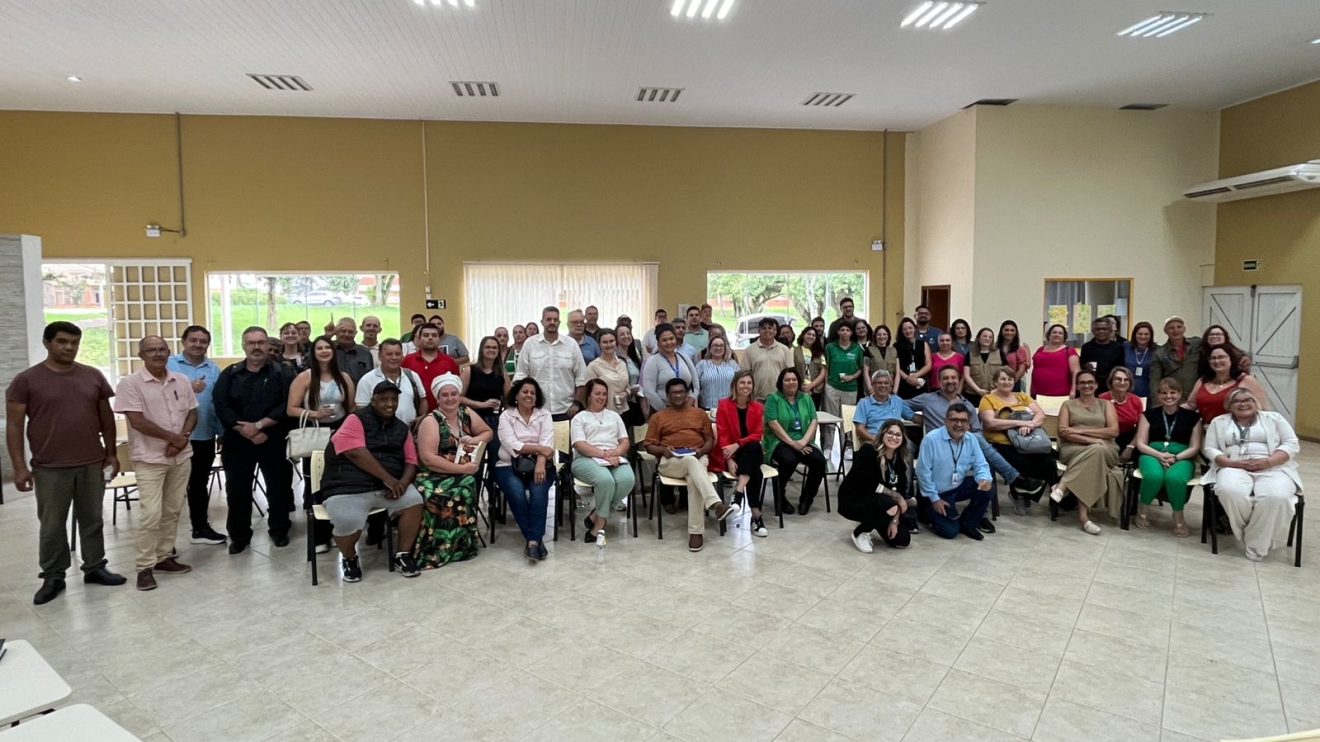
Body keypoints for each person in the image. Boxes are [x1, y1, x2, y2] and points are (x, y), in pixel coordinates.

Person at [7, 321, 126, 604]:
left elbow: (106, 418)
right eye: (62, 341)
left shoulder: (92, 376)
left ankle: (95, 567)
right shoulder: (27, 380)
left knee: (92, 519)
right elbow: (14, 426)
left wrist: (110, 452)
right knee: (51, 524)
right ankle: (53, 576)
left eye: (74, 342)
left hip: (91, 462)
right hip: (49, 466)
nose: (69, 347)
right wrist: (19, 467)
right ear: (47, 343)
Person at [319, 380, 425, 582]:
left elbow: (411, 461)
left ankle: (402, 555)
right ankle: (349, 558)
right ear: (373, 401)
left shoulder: (401, 428)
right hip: (347, 486)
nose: (389, 404)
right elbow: (355, 452)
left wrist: (402, 483)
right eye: (384, 399)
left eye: (394, 399)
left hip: (386, 488)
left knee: (414, 501)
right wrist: (389, 479)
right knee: (348, 520)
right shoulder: (355, 419)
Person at [115, 336, 199, 591]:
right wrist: (173, 438)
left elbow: (192, 413)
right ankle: (144, 566)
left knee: (173, 510)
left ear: (169, 352)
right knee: (151, 513)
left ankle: (163, 557)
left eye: (162, 349)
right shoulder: (130, 384)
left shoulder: (181, 380)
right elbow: (137, 421)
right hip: (150, 458)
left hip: (181, 455)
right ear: (141, 355)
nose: (157, 354)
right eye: (151, 350)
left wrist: (181, 439)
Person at [912, 366, 1044, 523]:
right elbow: (900, 404)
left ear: (959, 380)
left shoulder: (967, 405)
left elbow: (976, 431)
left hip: (962, 447)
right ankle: (1016, 480)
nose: (950, 381)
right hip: (938, 446)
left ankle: (979, 514)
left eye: (953, 377)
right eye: (945, 378)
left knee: (977, 441)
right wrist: (915, 418)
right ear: (939, 381)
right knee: (948, 529)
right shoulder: (927, 399)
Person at [213, 326, 295, 554]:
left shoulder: (283, 372)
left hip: (273, 438)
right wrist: (245, 429)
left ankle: (279, 530)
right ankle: (239, 535)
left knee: (278, 488)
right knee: (237, 490)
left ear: (268, 346)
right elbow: (221, 405)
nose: (257, 347)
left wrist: (259, 426)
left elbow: (287, 404)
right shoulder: (230, 373)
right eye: (252, 343)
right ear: (244, 346)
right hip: (238, 441)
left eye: (261, 342)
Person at [1202, 387, 1302, 561]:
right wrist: (1229, 463)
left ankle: (1255, 542)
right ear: (1229, 405)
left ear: (1255, 402)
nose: (1243, 404)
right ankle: (1259, 536)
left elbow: (1291, 443)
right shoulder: (1219, 422)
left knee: (1277, 496)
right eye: (1237, 401)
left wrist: (1269, 461)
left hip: (1272, 466)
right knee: (1229, 491)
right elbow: (1210, 448)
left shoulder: (1274, 418)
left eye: (1247, 399)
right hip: (1233, 465)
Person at [642, 378, 738, 552]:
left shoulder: (699, 414)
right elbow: (648, 446)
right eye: (673, 393)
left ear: (687, 394)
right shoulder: (659, 417)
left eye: (681, 392)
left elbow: (710, 439)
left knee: (694, 475)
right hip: (670, 461)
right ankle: (716, 505)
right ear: (667, 395)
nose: (678, 395)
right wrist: (664, 450)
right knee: (692, 464)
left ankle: (696, 533)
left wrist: (701, 451)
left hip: (698, 456)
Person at [414, 373, 494, 567]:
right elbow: (428, 458)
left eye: (454, 394)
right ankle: (434, 550)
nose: (450, 398)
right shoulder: (431, 421)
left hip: (460, 470)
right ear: (438, 398)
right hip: (432, 473)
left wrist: (473, 440)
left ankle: (461, 547)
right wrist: (462, 469)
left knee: (467, 486)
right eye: (445, 395)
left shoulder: (465, 413)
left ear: (459, 395)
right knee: (438, 494)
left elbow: (488, 432)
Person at [288, 335, 356, 552]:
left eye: (328, 347)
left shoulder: (344, 377)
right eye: (320, 348)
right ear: (313, 352)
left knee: (340, 484)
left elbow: (352, 407)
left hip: (340, 433)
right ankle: (319, 537)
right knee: (315, 486)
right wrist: (314, 413)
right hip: (316, 434)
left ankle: (339, 530)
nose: (324, 351)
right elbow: (291, 408)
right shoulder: (305, 377)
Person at [168, 325, 228, 545]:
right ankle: (165, 541)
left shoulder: (213, 369)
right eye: (193, 340)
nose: (198, 345)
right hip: (173, 437)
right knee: (171, 487)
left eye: (203, 341)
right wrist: (186, 388)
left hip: (203, 435)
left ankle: (200, 528)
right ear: (184, 341)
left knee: (198, 485)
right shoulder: (168, 364)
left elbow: (216, 403)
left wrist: (221, 432)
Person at [978, 368, 1058, 514]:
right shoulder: (988, 399)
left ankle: (1033, 494)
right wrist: (1019, 423)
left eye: (1009, 379)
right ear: (995, 382)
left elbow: (1040, 414)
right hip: (1001, 443)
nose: (1006, 382)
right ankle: (1020, 494)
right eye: (1002, 379)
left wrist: (1031, 424)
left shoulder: (1022, 397)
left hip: (1028, 440)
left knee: (1049, 462)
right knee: (1022, 462)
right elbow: (990, 423)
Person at [1053, 370, 1124, 535]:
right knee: (1094, 455)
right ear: (1077, 386)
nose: (1086, 385)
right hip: (1074, 447)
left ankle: (1063, 485)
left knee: (1097, 452)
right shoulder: (1068, 405)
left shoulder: (1106, 405)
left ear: (1097, 385)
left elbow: (1113, 431)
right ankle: (1083, 518)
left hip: (1107, 448)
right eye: (1082, 382)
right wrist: (1092, 439)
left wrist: (1080, 431)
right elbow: (1063, 432)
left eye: (1090, 382)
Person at [496, 377, 556, 561]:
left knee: (539, 492)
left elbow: (547, 441)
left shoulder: (544, 415)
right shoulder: (506, 416)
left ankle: (532, 542)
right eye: (525, 392)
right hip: (508, 465)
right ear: (516, 395)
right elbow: (512, 445)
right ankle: (535, 538)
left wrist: (539, 463)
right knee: (517, 493)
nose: (529, 395)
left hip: (541, 465)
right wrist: (539, 449)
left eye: (532, 392)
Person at [1132, 378, 1202, 537]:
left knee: (1175, 478)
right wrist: (1159, 455)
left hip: (1182, 456)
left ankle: (1178, 515)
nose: (1168, 396)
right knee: (1154, 476)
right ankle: (1143, 508)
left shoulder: (1193, 417)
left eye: (1173, 392)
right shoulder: (1148, 414)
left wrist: (1176, 458)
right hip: (1152, 453)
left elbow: (1195, 446)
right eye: (1164, 393)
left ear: (1180, 394)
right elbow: (1141, 443)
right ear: (1158, 395)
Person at [570, 379, 635, 546]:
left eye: (604, 394)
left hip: (614, 457)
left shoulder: (614, 416)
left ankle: (596, 514)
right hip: (586, 458)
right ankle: (599, 525)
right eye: (597, 393)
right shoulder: (580, 418)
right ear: (589, 396)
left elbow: (625, 441)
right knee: (605, 480)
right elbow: (580, 444)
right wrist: (603, 454)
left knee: (627, 479)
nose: (601, 397)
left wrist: (618, 452)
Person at [915, 404, 993, 540]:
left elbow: (981, 464)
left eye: (963, 421)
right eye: (954, 420)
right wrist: (935, 499)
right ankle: (926, 513)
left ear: (969, 423)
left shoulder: (971, 439)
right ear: (945, 421)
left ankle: (968, 524)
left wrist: (983, 479)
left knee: (987, 488)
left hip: (957, 487)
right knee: (950, 532)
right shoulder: (931, 439)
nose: (959, 424)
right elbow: (922, 473)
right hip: (935, 492)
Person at [839, 420, 914, 552]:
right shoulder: (868, 451)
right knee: (889, 503)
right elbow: (869, 485)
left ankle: (874, 520)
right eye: (890, 433)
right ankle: (860, 533)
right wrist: (897, 498)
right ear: (882, 434)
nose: (893, 437)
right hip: (853, 500)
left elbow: (900, 491)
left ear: (903, 439)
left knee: (902, 540)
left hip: (882, 504)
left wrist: (895, 521)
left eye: (898, 435)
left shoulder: (901, 460)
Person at [712, 370, 769, 536]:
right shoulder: (724, 405)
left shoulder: (758, 407)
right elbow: (722, 435)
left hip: (747, 451)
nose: (746, 386)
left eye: (749, 383)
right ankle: (756, 517)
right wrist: (729, 460)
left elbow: (758, 434)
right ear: (735, 385)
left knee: (754, 446)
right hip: (729, 455)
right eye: (742, 383)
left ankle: (739, 492)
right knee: (755, 471)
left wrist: (738, 444)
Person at [763, 367, 827, 515]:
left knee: (819, 461)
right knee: (789, 460)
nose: (791, 382)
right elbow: (773, 424)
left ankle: (806, 498)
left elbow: (813, 421)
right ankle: (780, 495)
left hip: (803, 442)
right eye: (787, 380)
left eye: (794, 379)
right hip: (779, 442)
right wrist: (793, 444)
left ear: (798, 382)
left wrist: (803, 441)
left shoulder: (806, 398)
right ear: (781, 382)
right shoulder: (773, 399)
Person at [514, 306, 589, 418]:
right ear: (542, 322)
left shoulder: (571, 344)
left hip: (566, 410)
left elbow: (581, 378)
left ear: (559, 322)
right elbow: (521, 375)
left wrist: (577, 404)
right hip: (536, 410)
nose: (552, 322)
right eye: (548, 319)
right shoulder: (530, 344)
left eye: (555, 320)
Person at [1186, 346, 1270, 427]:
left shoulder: (1245, 380)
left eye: (1221, 357)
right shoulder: (1202, 380)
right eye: (1213, 358)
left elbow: (1263, 408)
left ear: (1231, 359)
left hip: (1236, 431)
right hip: (1206, 430)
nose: (1217, 361)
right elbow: (1191, 405)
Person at [355, 339, 427, 426]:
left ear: (402, 356)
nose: (394, 357)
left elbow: (423, 400)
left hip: (410, 432)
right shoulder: (366, 380)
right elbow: (361, 409)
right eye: (389, 354)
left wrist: (422, 418)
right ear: (380, 356)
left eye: (398, 354)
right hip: (380, 434)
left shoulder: (412, 376)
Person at [822, 322, 865, 454]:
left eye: (848, 330)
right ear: (838, 332)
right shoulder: (830, 347)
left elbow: (861, 368)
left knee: (847, 420)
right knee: (831, 418)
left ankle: (847, 446)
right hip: (832, 387)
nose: (845, 332)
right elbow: (826, 367)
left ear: (851, 333)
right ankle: (828, 447)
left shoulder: (857, 349)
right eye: (842, 329)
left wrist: (852, 377)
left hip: (850, 388)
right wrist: (826, 385)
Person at [640, 324, 699, 413]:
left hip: (686, 409)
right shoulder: (653, 361)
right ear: (658, 343)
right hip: (662, 412)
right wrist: (668, 412)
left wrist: (688, 405)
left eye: (671, 338)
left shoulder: (684, 358)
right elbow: (649, 392)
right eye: (664, 340)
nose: (669, 342)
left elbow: (695, 385)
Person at [403, 323, 462, 412]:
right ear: (419, 339)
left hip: (443, 415)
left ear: (439, 339)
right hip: (414, 415)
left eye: (434, 335)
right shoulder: (407, 361)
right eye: (426, 335)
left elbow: (456, 390)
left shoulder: (450, 362)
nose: (430, 338)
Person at [853, 370, 915, 446]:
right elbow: (859, 429)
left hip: (895, 441)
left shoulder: (897, 401)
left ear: (890, 386)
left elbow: (913, 417)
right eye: (879, 383)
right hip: (874, 441)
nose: (883, 385)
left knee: (911, 446)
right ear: (873, 385)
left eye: (886, 383)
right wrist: (877, 440)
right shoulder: (863, 403)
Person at [741, 316, 794, 402]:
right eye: (763, 328)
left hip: (780, 398)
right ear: (759, 331)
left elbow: (790, 373)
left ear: (775, 331)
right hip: (757, 399)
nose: (767, 331)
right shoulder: (749, 350)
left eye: (770, 328)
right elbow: (744, 374)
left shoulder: (784, 349)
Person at [590, 329, 639, 420]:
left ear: (616, 342)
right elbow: (588, 393)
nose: (609, 345)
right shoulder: (593, 366)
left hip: (624, 412)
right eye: (605, 342)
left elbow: (627, 386)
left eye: (611, 341)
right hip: (603, 414)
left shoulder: (622, 363)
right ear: (599, 344)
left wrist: (627, 393)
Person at [1150, 316, 1201, 401]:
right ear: (1165, 331)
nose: (1176, 330)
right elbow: (1155, 381)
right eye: (1171, 328)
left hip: (1196, 397)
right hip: (1172, 399)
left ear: (1184, 329)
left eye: (1179, 327)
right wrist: (1158, 403)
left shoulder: (1197, 344)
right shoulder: (1159, 353)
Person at [1099, 366, 1142, 455]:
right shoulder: (1102, 399)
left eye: (1126, 380)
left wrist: (1131, 447)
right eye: (1118, 379)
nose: (1122, 382)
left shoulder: (1136, 400)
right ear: (1111, 381)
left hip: (1129, 438)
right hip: (1107, 438)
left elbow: (1140, 429)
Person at [1079, 316, 1126, 394]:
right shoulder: (1086, 347)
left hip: (1112, 388)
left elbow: (1121, 368)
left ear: (1110, 330)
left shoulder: (1118, 348)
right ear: (1093, 331)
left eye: (1105, 329)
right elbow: (1081, 366)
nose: (1101, 331)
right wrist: (1085, 366)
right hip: (1091, 387)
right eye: (1098, 329)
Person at [1031, 323, 1079, 398]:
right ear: (1049, 335)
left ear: (1064, 337)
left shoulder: (1069, 351)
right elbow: (1035, 370)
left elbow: (1075, 372)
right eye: (1054, 332)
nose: (1057, 334)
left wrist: (1073, 390)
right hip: (1038, 392)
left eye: (1060, 333)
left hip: (1061, 394)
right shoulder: (1040, 349)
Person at [962, 327, 1005, 408]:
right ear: (978, 338)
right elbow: (966, 375)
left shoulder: (999, 353)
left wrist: (996, 390)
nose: (987, 339)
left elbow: (1006, 373)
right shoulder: (970, 354)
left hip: (995, 394)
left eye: (990, 337)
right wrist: (978, 390)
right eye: (984, 336)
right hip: (973, 395)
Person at [695, 335, 738, 410]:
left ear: (725, 349)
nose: (718, 348)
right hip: (707, 408)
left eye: (721, 346)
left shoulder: (732, 364)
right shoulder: (701, 364)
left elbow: (739, 384)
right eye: (715, 345)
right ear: (710, 348)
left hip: (729, 407)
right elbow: (695, 387)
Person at [328, 317, 375, 384]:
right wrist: (327, 337)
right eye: (343, 331)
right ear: (336, 332)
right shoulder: (328, 349)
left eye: (350, 332)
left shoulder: (365, 353)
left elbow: (370, 378)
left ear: (355, 333)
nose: (347, 334)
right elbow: (311, 361)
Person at [894, 317, 931, 399]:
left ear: (915, 328)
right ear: (901, 331)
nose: (908, 331)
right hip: (903, 383)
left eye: (910, 328)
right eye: (905, 329)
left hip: (920, 382)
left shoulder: (923, 344)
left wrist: (915, 376)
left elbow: (928, 364)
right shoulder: (896, 346)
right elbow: (896, 366)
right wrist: (907, 378)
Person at [794, 326, 827, 410]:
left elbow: (823, 373)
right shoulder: (794, 350)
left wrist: (810, 386)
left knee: (813, 413)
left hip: (815, 389)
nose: (811, 336)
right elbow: (791, 369)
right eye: (808, 334)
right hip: (798, 388)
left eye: (813, 335)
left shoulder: (820, 353)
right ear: (803, 335)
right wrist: (801, 386)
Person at [1125, 321, 1157, 399]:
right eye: (1140, 334)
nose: (1143, 337)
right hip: (1126, 390)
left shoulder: (1157, 350)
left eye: (1146, 334)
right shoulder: (1125, 347)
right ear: (1134, 335)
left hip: (1148, 391)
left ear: (1151, 335)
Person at [997, 320, 1031, 391]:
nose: (1009, 332)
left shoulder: (1020, 349)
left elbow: (1021, 370)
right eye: (1006, 330)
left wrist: (1009, 383)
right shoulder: (995, 347)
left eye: (1012, 330)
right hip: (997, 384)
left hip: (1015, 383)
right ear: (1001, 332)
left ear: (1016, 333)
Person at [865, 323, 900, 392]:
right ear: (875, 336)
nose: (882, 336)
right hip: (874, 389)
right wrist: (870, 389)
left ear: (888, 336)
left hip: (890, 389)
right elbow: (866, 372)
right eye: (879, 334)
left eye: (884, 334)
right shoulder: (869, 350)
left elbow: (897, 372)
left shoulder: (894, 350)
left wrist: (895, 390)